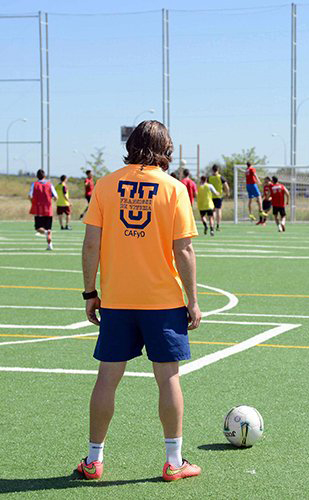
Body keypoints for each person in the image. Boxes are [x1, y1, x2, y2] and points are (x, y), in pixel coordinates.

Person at [79, 120, 201, 482]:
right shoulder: (174, 189)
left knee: (107, 379)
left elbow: (90, 245)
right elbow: (185, 249)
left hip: (117, 300)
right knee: (168, 380)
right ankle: (174, 462)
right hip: (162, 302)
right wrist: (192, 300)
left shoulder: (105, 184)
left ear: (131, 145)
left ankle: (93, 460)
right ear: (167, 149)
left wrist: (90, 292)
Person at [29, 169, 57, 250]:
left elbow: (30, 196)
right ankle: (50, 245)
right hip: (48, 209)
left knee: (38, 228)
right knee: (49, 228)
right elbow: (56, 196)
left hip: (38, 210)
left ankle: (45, 233)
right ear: (44, 176)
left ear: (37, 176)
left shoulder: (34, 184)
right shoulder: (49, 184)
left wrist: (33, 202)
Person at [208, 165, 230, 231]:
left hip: (211, 196)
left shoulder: (209, 178)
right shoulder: (221, 177)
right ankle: (218, 225)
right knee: (219, 210)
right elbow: (226, 186)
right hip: (219, 196)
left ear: (212, 170)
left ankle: (212, 225)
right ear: (218, 169)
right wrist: (227, 193)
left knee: (213, 211)